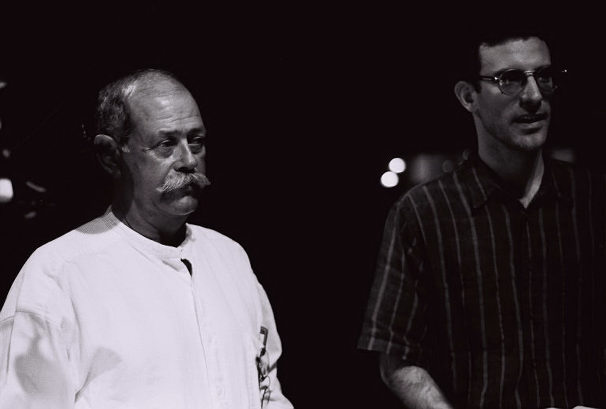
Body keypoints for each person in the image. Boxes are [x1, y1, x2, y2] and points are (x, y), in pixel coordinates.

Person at [0, 68, 293, 409]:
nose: (188, 160)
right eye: (166, 144)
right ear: (110, 156)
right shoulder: (58, 275)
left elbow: (267, 392)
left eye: (196, 141)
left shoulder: (230, 258)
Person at [358, 26, 606, 409]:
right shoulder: (423, 214)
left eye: (543, 76)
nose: (534, 95)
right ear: (468, 96)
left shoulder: (593, 200)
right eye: (510, 79)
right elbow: (396, 356)